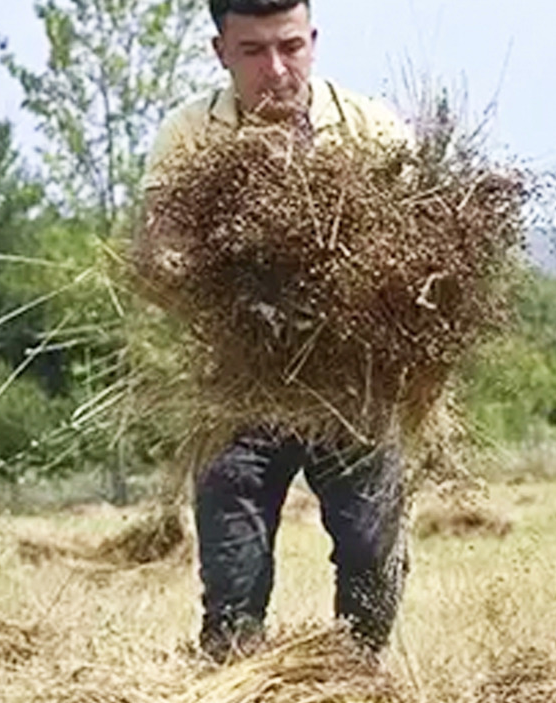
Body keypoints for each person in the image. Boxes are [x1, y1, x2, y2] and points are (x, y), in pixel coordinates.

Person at [140, 0, 414, 662]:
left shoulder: (369, 131)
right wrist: (215, 274)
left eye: (290, 47)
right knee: (233, 566)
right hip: (239, 384)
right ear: (220, 51)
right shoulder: (189, 137)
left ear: (313, 41)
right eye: (253, 51)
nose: (276, 68)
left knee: (370, 547)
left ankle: (357, 679)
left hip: (351, 385)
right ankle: (236, 682)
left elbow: (419, 252)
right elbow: (156, 254)